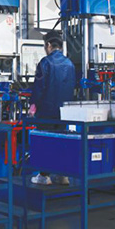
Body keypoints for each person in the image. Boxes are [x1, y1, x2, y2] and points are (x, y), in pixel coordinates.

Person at [29, 30, 76, 185]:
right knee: (61, 142)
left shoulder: (45, 62)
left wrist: (32, 106)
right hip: (64, 112)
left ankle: (44, 176)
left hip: (47, 111)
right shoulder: (69, 64)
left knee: (45, 143)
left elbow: (39, 87)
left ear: (48, 45)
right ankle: (62, 175)